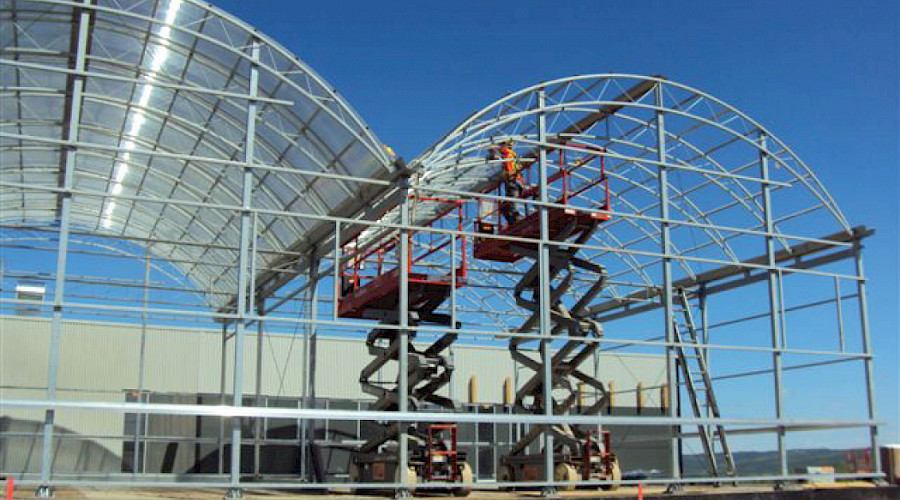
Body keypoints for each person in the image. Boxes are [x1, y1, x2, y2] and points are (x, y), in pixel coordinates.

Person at [497, 141, 524, 224]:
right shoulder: (512, 155)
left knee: (511, 203)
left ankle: (516, 219)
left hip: (513, 181)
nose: (499, 148)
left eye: (501, 146)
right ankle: (513, 220)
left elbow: (509, 169)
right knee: (506, 205)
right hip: (515, 181)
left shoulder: (508, 155)